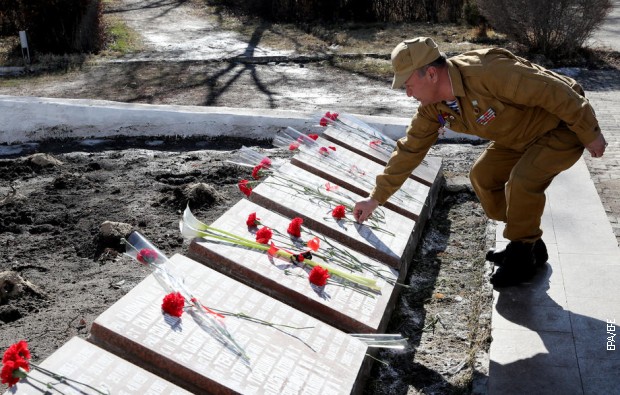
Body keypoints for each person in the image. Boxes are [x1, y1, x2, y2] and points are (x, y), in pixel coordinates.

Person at [353, 37, 608, 287]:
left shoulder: (488, 72)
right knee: (483, 177)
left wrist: (590, 133)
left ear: (430, 74)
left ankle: (521, 257)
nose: (408, 94)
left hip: (561, 124)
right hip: (518, 134)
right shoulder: (434, 107)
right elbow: (410, 149)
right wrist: (375, 198)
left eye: (408, 85)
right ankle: (528, 243)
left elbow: (554, 91)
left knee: (522, 181)